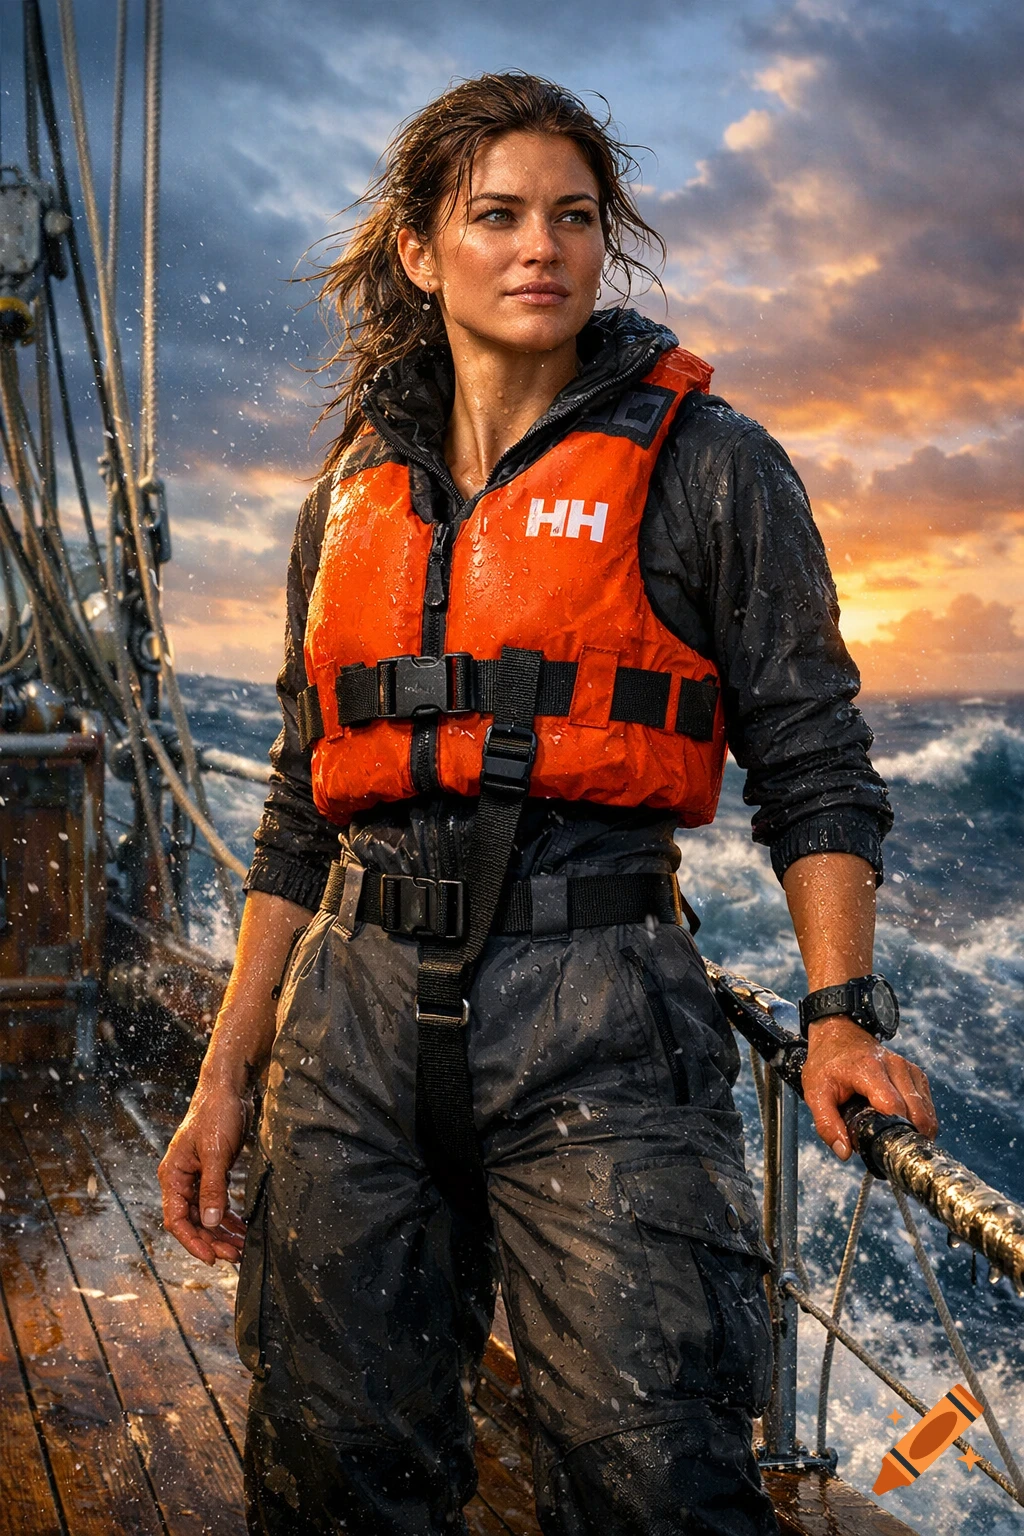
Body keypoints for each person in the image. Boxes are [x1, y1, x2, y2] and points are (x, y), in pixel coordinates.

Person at [158, 72, 938, 1536]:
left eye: (574, 218)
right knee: (332, 1479)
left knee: (656, 1485)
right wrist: (226, 1078)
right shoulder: (346, 496)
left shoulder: (711, 468)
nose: (542, 249)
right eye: (498, 216)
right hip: (351, 1032)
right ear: (416, 251)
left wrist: (838, 1013)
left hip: (604, 1022)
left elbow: (814, 758)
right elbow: (297, 802)